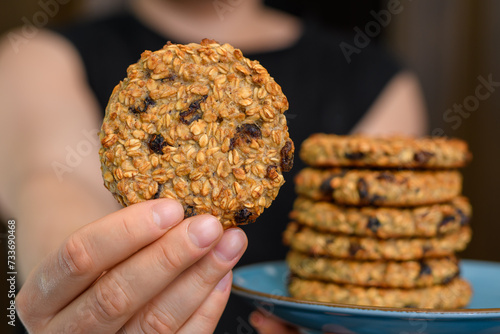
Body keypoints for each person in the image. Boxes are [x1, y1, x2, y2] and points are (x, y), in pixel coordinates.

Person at [0, 0, 427, 332]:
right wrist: (85, 291)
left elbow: (372, 259)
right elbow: (53, 181)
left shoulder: (375, 82)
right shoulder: (35, 57)